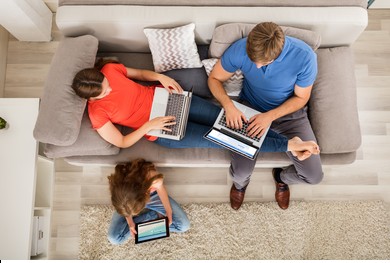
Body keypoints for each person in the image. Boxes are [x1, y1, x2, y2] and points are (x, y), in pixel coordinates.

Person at [72, 59, 319, 158]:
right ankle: (289, 144)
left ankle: (289, 141)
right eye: (104, 93)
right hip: (160, 129)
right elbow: (122, 142)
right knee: (223, 139)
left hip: (169, 100)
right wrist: (149, 125)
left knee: (229, 121)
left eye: (106, 85)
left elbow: (138, 73)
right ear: (91, 100)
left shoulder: (109, 71)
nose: (109, 90)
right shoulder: (96, 113)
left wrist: (160, 77)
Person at [208, 22, 324, 211]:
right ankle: (240, 186)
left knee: (314, 177)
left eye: (263, 63)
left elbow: (302, 97)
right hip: (250, 111)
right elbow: (214, 79)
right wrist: (229, 105)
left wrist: (270, 116)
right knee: (239, 174)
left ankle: (281, 178)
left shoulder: (305, 57)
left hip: (288, 114)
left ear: (278, 55)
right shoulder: (241, 48)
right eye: (253, 60)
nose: (257, 66)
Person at [107, 158, 190, 245]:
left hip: (153, 196)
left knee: (184, 226)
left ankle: (150, 220)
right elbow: (125, 208)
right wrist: (130, 222)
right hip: (129, 200)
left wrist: (168, 211)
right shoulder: (118, 188)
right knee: (114, 239)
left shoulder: (151, 177)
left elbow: (160, 189)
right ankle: (155, 216)